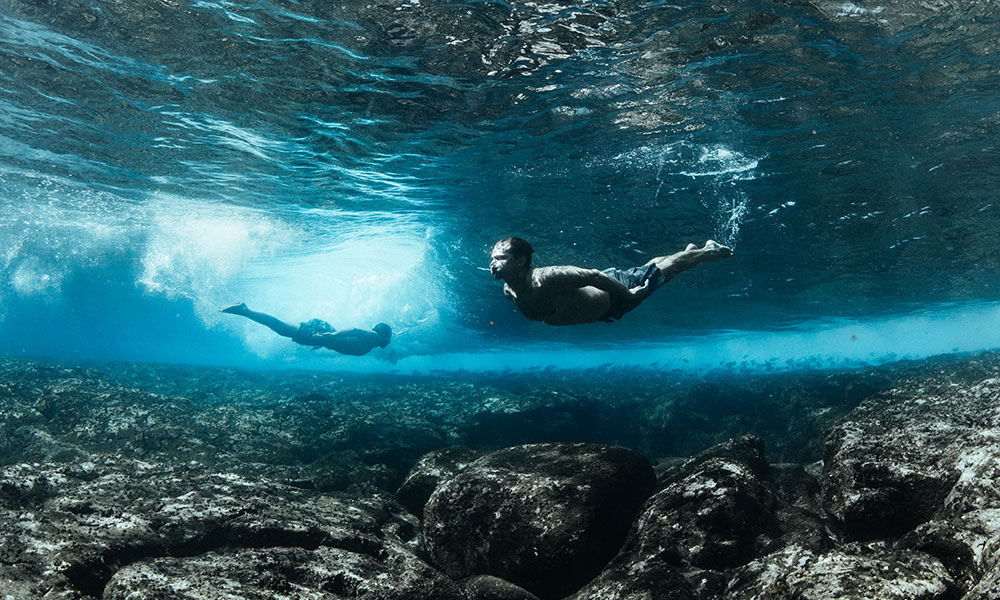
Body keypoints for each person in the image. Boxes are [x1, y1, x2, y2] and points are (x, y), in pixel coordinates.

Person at [489, 237, 732, 326]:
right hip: (603, 305)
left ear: (521, 260)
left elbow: (594, 275)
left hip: (616, 294)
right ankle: (689, 252)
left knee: (667, 272)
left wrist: (629, 295)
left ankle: (707, 251)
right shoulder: (509, 290)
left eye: (500, 258)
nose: (493, 262)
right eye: (492, 258)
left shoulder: (546, 277)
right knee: (652, 269)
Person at [220, 303, 391, 356]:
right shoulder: (374, 336)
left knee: (282, 328)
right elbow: (355, 330)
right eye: (388, 338)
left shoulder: (372, 343)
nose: (388, 342)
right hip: (326, 334)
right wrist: (331, 335)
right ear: (383, 334)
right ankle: (245, 310)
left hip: (325, 336)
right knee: (281, 328)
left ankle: (245, 311)